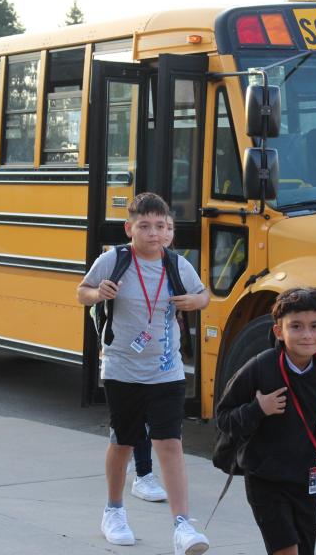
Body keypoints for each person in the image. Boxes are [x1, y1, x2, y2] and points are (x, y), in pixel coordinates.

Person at [77, 192, 211, 554]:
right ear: (129, 228)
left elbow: (203, 295)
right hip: (122, 367)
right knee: (123, 441)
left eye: (161, 226)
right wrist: (97, 292)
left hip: (166, 370)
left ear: (169, 230)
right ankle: (114, 511)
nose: (154, 233)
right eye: (145, 226)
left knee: (170, 443)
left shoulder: (177, 265)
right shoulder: (114, 260)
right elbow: (81, 292)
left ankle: (183, 525)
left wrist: (193, 301)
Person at [215, 287, 316, 555]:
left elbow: (315, 416)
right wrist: (258, 408)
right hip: (266, 478)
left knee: (304, 550)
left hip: (304, 478)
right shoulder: (260, 366)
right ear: (278, 331)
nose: (307, 335)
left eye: (314, 326)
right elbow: (223, 417)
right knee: (286, 550)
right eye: (295, 326)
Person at [127, 214, 175, 503]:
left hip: (165, 357)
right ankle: (142, 473)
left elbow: (198, 297)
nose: (162, 234)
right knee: (137, 418)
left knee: (161, 420)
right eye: (155, 227)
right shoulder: (123, 263)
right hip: (131, 360)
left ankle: (140, 465)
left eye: (168, 228)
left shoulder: (175, 266)